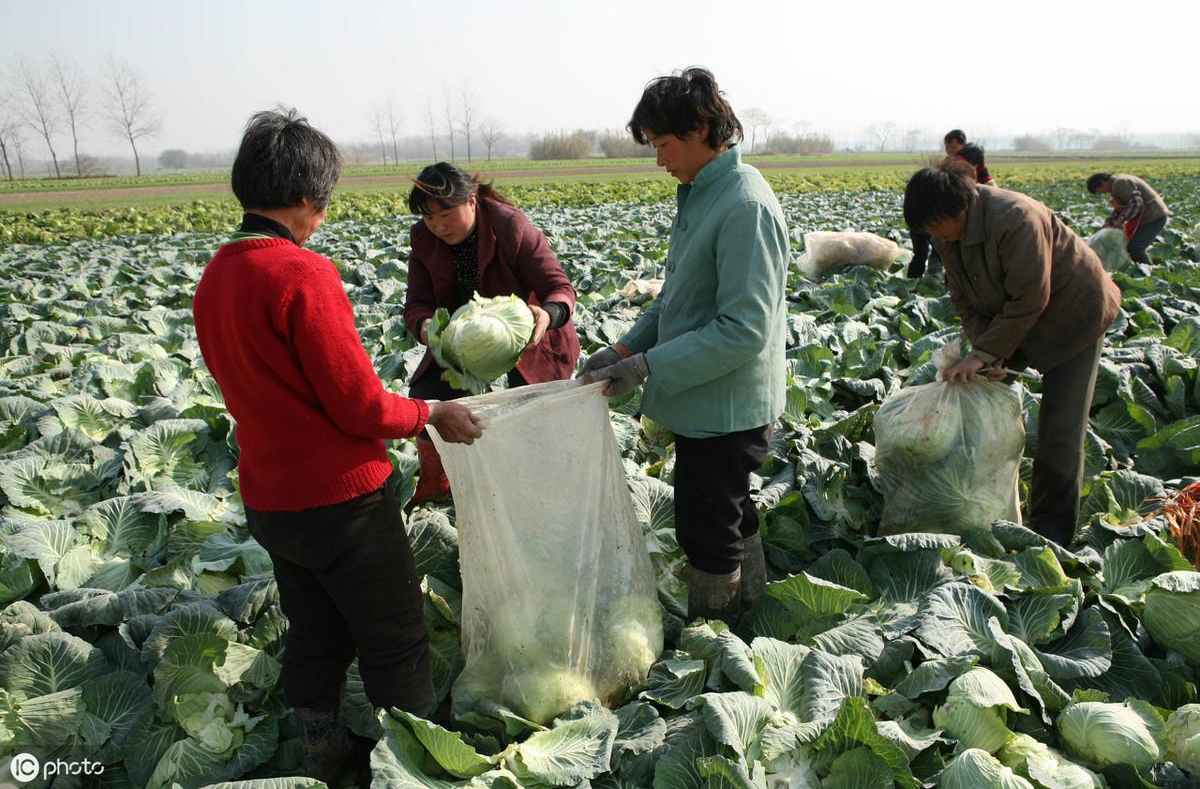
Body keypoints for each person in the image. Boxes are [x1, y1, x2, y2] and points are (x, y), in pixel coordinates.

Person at [193, 109, 483, 785]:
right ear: (302, 199)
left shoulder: (215, 278)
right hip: (342, 501)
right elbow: (358, 406)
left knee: (316, 633)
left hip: (271, 499)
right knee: (395, 637)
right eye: (321, 200)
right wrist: (433, 411)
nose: (322, 213)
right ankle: (417, 765)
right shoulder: (301, 274)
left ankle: (324, 755)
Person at [579, 67, 790, 626]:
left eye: (664, 144)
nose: (659, 159)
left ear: (701, 129)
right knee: (730, 512)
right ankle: (749, 614)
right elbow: (678, 299)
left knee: (707, 526)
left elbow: (744, 328)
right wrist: (625, 349)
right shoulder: (703, 194)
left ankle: (713, 636)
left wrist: (648, 366)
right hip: (705, 396)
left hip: (726, 403)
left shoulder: (745, 206)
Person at [902, 163, 1121, 547]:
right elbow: (963, 298)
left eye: (937, 226)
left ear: (961, 209)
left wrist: (986, 352)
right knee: (983, 397)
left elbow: (1031, 297)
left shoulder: (1015, 219)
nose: (934, 236)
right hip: (1017, 317)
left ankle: (1052, 533)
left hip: (1075, 315)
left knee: (1060, 427)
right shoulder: (945, 234)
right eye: (927, 229)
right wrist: (985, 354)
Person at [403, 162, 580, 502]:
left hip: (526, 342)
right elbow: (416, 304)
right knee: (425, 399)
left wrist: (546, 316)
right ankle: (437, 482)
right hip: (460, 342)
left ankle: (539, 488)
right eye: (429, 217)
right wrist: (426, 327)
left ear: (471, 200)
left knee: (533, 420)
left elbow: (559, 287)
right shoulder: (424, 239)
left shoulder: (509, 226)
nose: (438, 226)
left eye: (446, 215)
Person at [908, 129, 995, 279]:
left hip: (933, 216)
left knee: (939, 252)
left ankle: (935, 279)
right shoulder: (948, 169)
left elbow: (989, 185)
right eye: (948, 147)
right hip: (933, 214)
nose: (950, 151)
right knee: (943, 252)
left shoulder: (968, 164)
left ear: (963, 146)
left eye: (953, 147)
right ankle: (929, 280)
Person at [1087, 172, 1170, 265]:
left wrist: (1121, 220)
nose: (1101, 193)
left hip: (1154, 217)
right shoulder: (1117, 183)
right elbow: (1121, 207)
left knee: (1135, 248)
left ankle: (1149, 272)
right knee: (1130, 246)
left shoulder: (1120, 184)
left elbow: (1136, 203)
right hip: (1148, 217)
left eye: (1099, 191)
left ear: (1102, 183)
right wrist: (1110, 221)